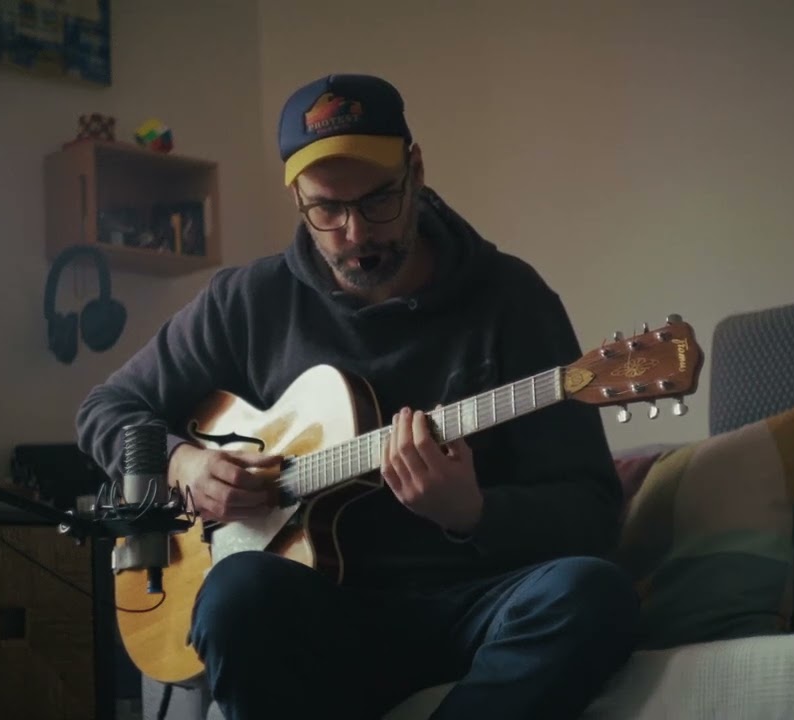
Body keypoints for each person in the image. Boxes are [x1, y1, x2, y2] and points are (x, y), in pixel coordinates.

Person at [76, 73, 638, 720]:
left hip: (474, 604)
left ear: (416, 171)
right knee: (236, 591)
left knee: (595, 595)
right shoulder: (246, 303)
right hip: (322, 615)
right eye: (326, 209)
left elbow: (592, 513)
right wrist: (184, 463)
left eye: (378, 201)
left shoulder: (512, 300)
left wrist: (473, 513)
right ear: (296, 195)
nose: (354, 233)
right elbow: (107, 410)